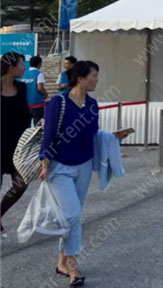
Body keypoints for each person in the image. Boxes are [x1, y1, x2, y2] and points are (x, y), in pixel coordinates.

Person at [39, 60, 132, 286]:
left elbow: (93, 134)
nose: (97, 80)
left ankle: (61, 261)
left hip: (83, 166)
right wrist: (44, 163)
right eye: (94, 75)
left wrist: (112, 137)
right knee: (72, 215)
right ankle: (73, 270)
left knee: (72, 215)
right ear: (80, 78)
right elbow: (49, 135)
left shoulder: (92, 105)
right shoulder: (58, 103)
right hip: (59, 167)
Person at [1, 52, 31, 238]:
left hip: (17, 146)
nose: (24, 67)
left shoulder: (22, 88)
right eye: (22, 64)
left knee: (21, 183)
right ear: (12, 67)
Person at [22, 55, 48, 123]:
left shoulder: (23, 74)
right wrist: (45, 94)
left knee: (25, 126)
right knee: (38, 126)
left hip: (25, 104)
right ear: (39, 64)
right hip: (37, 104)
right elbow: (40, 88)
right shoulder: (39, 74)